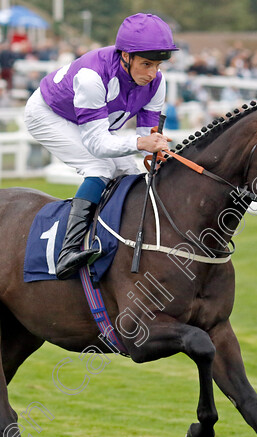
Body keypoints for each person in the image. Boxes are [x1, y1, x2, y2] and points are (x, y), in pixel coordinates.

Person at [23, 13, 175, 279]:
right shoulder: (92, 77)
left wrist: (158, 149)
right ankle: (68, 251)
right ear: (125, 56)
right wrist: (142, 142)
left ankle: (118, 242)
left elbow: (144, 137)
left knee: (130, 175)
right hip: (48, 114)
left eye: (158, 65)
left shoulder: (157, 83)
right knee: (99, 165)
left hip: (90, 122)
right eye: (146, 64)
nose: (152, 74)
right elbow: (96, 144)